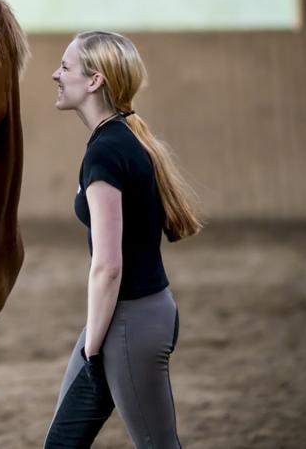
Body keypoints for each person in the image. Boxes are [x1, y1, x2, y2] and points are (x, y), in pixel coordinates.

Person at [44, 31, 202, 448]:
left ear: (94, 81)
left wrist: (92, 347)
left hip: (129, 324)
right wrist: (94, 342)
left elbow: (108, 267)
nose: (55, 75)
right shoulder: (119, 141)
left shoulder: (106, 153)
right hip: (125, 321)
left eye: (65, 67)